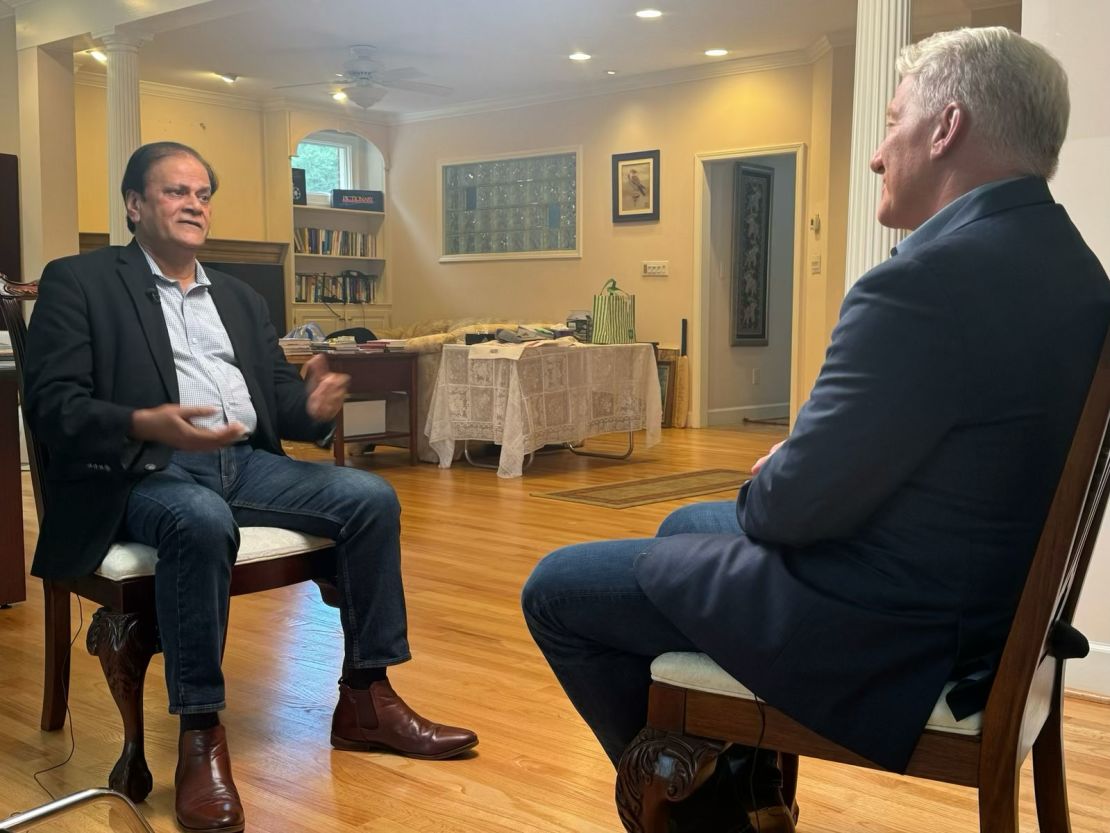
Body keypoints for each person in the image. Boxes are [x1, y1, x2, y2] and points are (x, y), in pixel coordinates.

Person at [522, 26, 1110, 833]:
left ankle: (708, 816)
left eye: (892, 121)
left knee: (556, 589)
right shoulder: (1069, 264)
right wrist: (794, 468)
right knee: (684, 521)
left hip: (894, 628)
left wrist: (777, 469)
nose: (876, 154)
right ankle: (754, 785)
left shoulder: (923, 283)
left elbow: (783, 512)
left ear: (946, 128)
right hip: (990, 607)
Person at [24, 141, 477, 833]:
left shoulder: (238, 295)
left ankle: (366, 696)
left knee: (370, 498)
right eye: (176, 191)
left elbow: (276, 403)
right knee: (200, 519)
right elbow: (53, 404)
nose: (194, 203)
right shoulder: (79, 281)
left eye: (203, 192)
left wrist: (313, 407)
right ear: (135, 205)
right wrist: (146, 421)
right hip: (144, 468)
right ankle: (200, 732)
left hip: (244, 460)